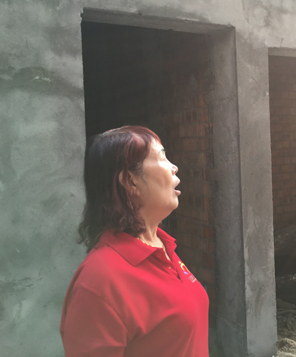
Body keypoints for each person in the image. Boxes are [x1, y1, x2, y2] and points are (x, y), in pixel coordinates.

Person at [60, 126, 209, 357]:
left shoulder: (162, 245)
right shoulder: (100, 282)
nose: (174, 167)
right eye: (162, 157)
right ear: (130, 181)